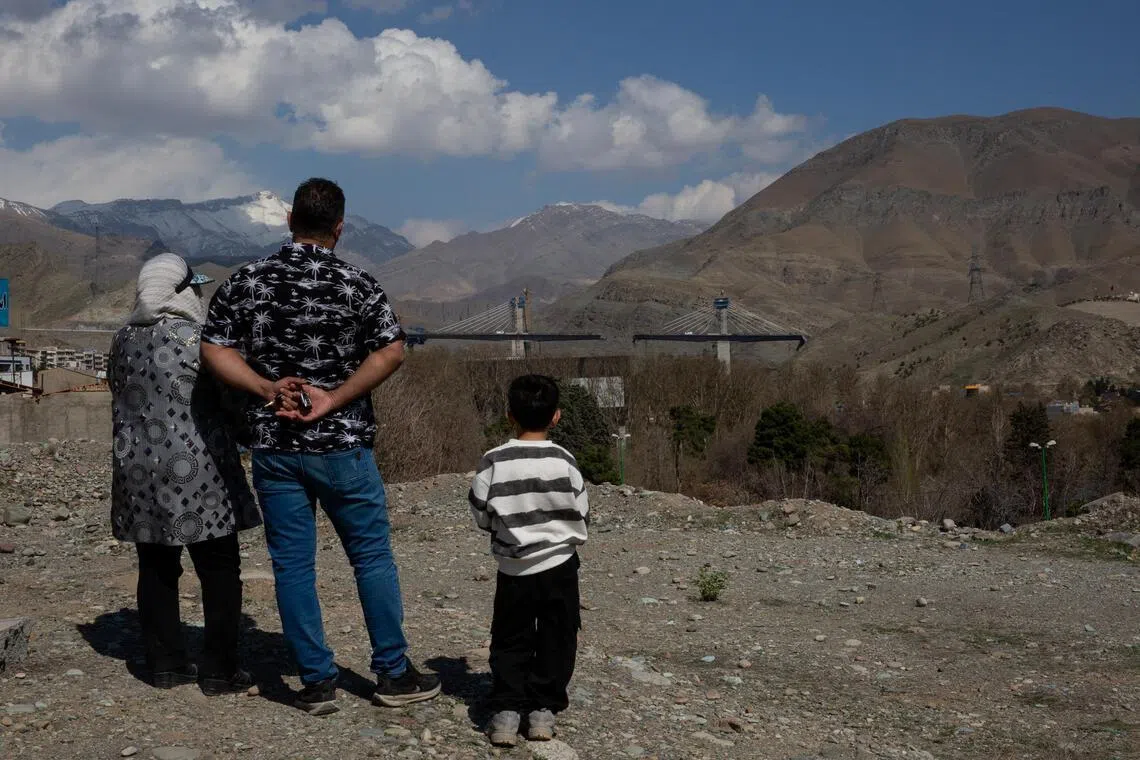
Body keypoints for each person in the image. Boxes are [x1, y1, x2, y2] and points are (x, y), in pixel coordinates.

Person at [200, 177, 440, 716]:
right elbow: (392, 352)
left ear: (289, 220)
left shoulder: (246, 281)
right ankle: (392, 673)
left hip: (275, 447)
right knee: (372, 559)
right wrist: (334, 398)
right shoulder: (358, 283)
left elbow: (213, 348)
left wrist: (264, 387)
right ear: (339, 227)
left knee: (292, 567)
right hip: (343, 446)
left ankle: (315, 682)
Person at [109, 253, 261, 696]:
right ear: (181, 291)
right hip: (201, 473)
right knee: (219, 568)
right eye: (193, 288)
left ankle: (166, 664)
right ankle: (220, 669)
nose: (198, 294)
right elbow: (231, 401)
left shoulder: (121, 340)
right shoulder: (199, 339)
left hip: (138, 471)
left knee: (156, 566)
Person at [468, 375, 589, 747]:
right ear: (556, 416)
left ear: (509, 416)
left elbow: (480, 512)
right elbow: (581, 509)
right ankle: (542, 711)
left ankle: (506, 711)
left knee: (510, 636)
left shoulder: (494, 460)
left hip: (513, 567)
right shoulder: (565, 461)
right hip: (560, 564)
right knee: (558, 635)